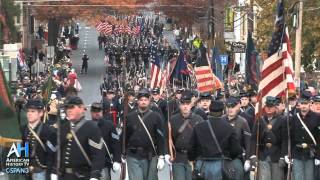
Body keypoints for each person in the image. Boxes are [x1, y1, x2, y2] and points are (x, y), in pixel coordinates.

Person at [51, 96, 105, 180]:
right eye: (67, 107)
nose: (69, 110)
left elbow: (98, 155)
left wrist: (95, 175)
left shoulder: (91, 128)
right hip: (64, 176)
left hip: (83, 176)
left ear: (81, 108)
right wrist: (54, 171)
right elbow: (58, 152)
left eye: (72, 107)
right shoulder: (63, 128)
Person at [188, 100, 242, 180]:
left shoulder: (198, 127)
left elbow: (191, 148)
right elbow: (236, 150)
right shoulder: (229, 128)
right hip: (221, 166)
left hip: (202, 165)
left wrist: (192, 159)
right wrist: (228, 157)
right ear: (223, 111)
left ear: (209, 110)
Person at [123, 88, 166, 180]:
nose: (143, 102)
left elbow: (160, 138)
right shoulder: (130, 117)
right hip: (133, 154)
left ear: (149, 101)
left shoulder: (156, 117)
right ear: (137, 101)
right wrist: (122, 153)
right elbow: (124, 136)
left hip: (150, 154)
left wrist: (161, 156)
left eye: (145, 100)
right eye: (141, 100)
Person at [249, 96, 288, 180]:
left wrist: (283, 156)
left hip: (277, 155)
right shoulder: (260, 120)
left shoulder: (282, 120)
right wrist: (253, 155)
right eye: (267, 106)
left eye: (271, 107)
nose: (269, 109)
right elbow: (254, 139)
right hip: (263, 155)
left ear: (275, 107)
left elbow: (285, 140)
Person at [169, 89, 204, 180]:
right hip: (178, 157)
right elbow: (169, 139)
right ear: (179, 105)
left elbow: (202, 140)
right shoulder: (173, 120)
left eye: (187, 104)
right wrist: (168, 154)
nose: (185, 107)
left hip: (193, 159)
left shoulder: (199, 119)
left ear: (191, 105)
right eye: (183, 104)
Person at [22, 99, 56, 180]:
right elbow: (23, 150)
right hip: (27, 172)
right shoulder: (24, 129)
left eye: (33, 111)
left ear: (40, 113)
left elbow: (52, 155)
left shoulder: (48, 131)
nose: (29, 114)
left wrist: (50, 174)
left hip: (41, 173)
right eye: (28, 111)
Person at [289, 91, 320, 180]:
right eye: (302, 103)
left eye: (305, 103)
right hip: (297, 153)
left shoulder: (317, 117)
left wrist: (318, 156)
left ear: (310, 104)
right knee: (298, 177)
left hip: (310, 154)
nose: (304, 106)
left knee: (309, 177)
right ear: (299, 104)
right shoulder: (294, 118)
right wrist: (289, 154)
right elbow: (291, 137)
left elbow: (318, 138)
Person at [222, 97, 251, 180]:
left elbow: (248, 143)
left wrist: (248, 160)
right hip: (222, 158)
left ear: (238, 107)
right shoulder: (221, 120)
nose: (230, 109)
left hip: (236, 158)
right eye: (228, 107)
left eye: (233, 107)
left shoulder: (242, 122)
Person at [90, 102, 121, 180]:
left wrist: (116, 160)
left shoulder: (109, 125)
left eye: (99, 111)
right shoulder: (87, 126)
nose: (97, 113)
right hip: (90, 163)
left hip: (105, 163)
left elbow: (116, 144)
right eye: (94, 111)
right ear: (91, 112)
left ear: (102, 112)